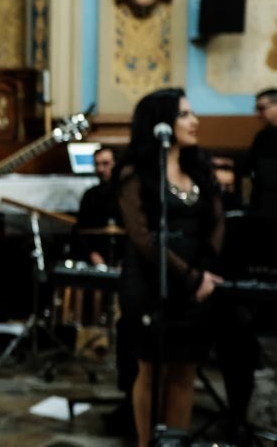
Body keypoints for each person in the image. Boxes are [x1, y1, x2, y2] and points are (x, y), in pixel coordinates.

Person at [114, 88, 224, 447]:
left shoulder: (199, 165)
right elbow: (143, 238)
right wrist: (192, 277)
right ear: (160, 123)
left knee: (185, 371)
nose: (195, 122)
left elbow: (217, 222)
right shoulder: (135, 172)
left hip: (197, 283)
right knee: (150, 371)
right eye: (185, 115)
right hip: (150, 281)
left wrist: (204, 272)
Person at [74, 147, 123, 266]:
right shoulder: (90, 196)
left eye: (105, 164)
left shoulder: (126, 194)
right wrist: (91, 254)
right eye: (97, 165)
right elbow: (79, 230)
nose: (100, 169)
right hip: (96, 258)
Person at [246, 87, 277, 216]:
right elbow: (250, 166)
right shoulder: (262, 136)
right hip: (263, 206)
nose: (257, 114)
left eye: (262, 108)